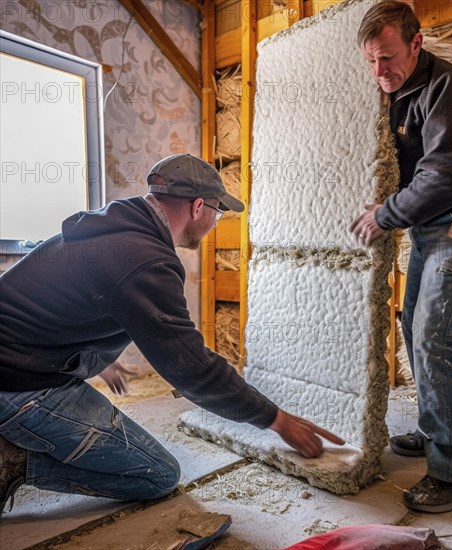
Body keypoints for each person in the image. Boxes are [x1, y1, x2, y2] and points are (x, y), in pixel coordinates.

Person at [0, 153, 344, 515]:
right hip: (21, 384)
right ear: (198, 207)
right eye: (218, 211)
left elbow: (52, 303)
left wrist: (92, 360)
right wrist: (277, 420)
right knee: (158, 475)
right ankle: (16, 460)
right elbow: (192, 368)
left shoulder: (112, 229)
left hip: (21, 364)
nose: (215, 221)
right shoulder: (146, 261)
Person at [350, 1, 452, 513]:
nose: (381, 72)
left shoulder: (447, 86)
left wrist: (385, 214)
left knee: (438, 336)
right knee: (415, 327)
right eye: (372, 61)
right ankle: (440, 427)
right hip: (432, 226)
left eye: (389, 58)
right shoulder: (397, 91)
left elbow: (450, 174)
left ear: (417, 44)